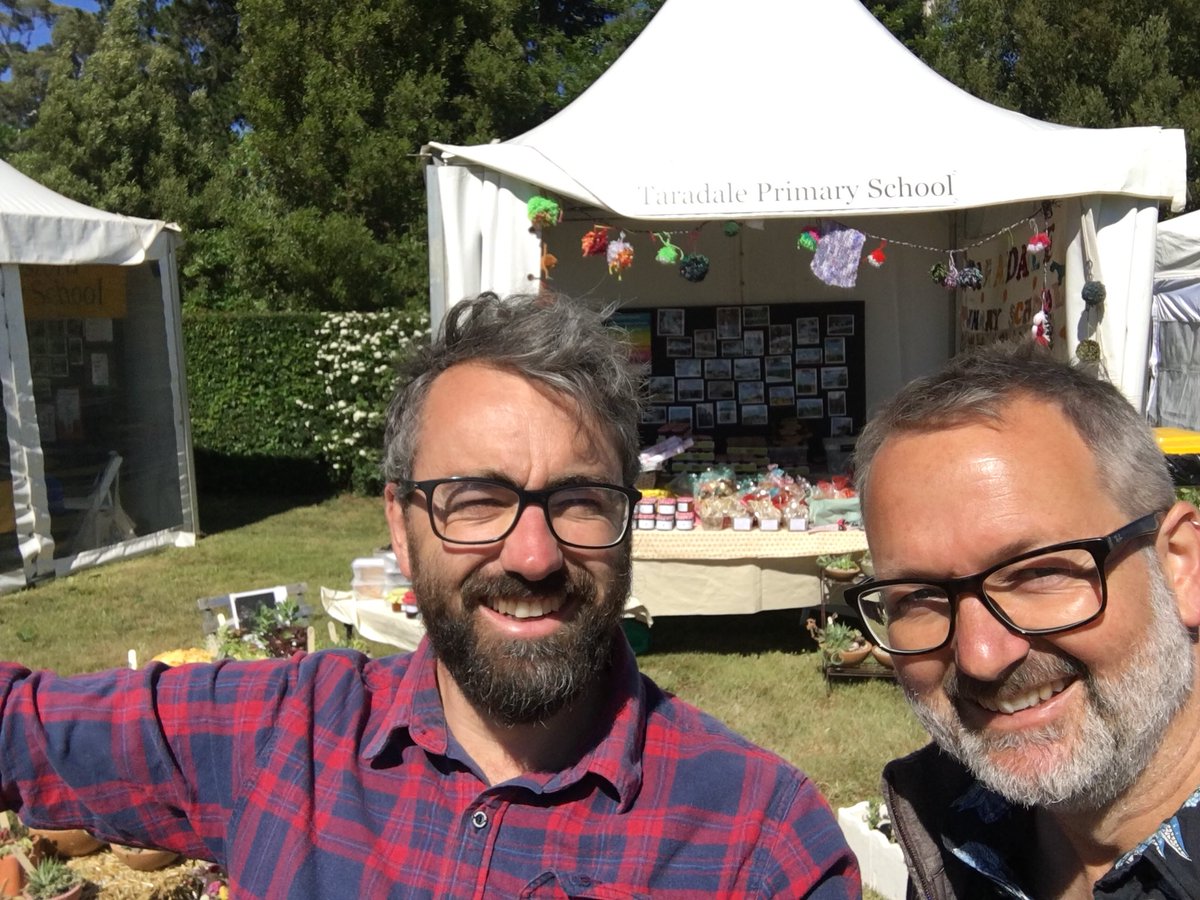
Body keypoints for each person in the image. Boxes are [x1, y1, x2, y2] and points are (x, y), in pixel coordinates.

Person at [0, 292, 859, 898]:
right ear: (402, 524)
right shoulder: (276, 736)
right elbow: (21, 729)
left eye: (579, 500)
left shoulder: (758, 843)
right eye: (476, 501)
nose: (532, 555)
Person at [848, 340, 1200, 898]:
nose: (981, 656)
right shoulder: (955, 830)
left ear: (1181, 565)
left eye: (1037, 574)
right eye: (918, 597)